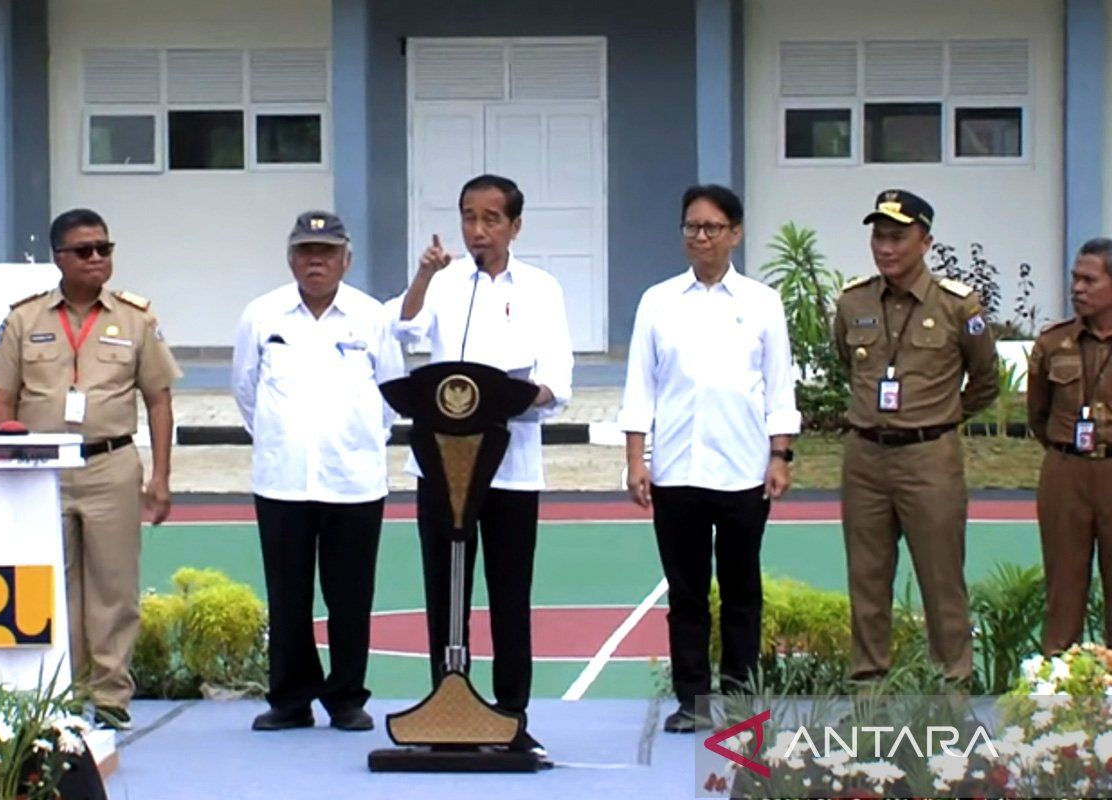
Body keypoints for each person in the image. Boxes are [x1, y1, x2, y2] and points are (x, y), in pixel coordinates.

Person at [0, 209, 181, 729]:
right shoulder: (24, 319)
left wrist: (159, 478)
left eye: (104, 249)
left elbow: (158, 401)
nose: (97, 259)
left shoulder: (136, 319)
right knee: (53, 584)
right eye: (85, 250)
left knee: (114, 587)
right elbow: (2, 403)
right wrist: (8, 439)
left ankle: (111, 697)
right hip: (42, 470)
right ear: (58, 258)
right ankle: (61, 695)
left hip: (110, 463)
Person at [394, 174, 573, 757]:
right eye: (469, 217)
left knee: (509, 592)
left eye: (491, 219)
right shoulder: (444, 283)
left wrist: (519, 398)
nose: (478, 230)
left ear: (515, 226)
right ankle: (448, 707)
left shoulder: (542, 288)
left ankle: (511, 712)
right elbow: (404, 329)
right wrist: (424, 273)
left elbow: (558, 379)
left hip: (512, 466)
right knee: (445, 591)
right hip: (442, 468)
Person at [618, 185, 799, 732]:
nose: (701, 237)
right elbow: (639, 388)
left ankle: (743, 700)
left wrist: (781, 454)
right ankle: (691, 699)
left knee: (742, 592)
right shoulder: (657, 301)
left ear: (735, 234)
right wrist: (636, 460)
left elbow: (778, 387)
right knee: (687, 594)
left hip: (744, 471)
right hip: (677, 471)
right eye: (692, 227)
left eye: (712, 227)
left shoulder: (762, 303)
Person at [231, 211, 403, 732]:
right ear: (290, 259)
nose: (316, 261)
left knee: (350, 595)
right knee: (288, 595)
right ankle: (290, 699)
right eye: (306, 251)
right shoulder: (262, 316)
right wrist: (283, 436)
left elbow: (393, 393)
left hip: (353, 478)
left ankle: (347, 697)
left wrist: (354, 438)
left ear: (346, 259)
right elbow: (245, 389)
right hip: (283, 478)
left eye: (326, 252)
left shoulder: (371, 317)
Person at [835, 189, 998, 682]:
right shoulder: (853, 301)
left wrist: (942, 417)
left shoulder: (956, 305)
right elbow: (847, 362)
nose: (885, 248)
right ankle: (870, 694)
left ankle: (953, 690)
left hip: (930, 460)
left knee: (942, 581)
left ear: (925, 241)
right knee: (867, 582)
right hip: (865, 458)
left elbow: (986, 379)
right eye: (878, 236)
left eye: (898, 237)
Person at [1027, 237, 1112, 654]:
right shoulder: (1052, 343)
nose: (1076, 288)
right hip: (1065, 470)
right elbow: (1037, 415)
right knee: (1063, 588)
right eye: (1075, 279)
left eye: (1089, 280)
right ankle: (1057, 700)